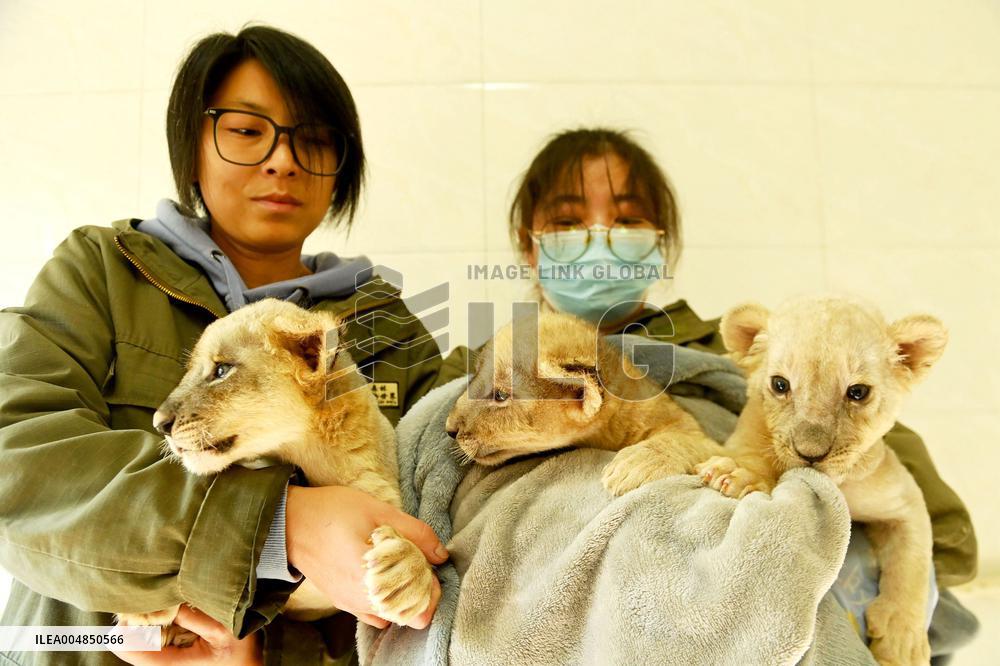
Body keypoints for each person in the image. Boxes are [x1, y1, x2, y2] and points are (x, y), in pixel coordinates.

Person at [0, 26, 466, 666]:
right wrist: (280, 527)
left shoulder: (387, 325)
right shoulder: (100, 272)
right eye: (248, 131)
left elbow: (442, 518)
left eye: (313, 141)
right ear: (193, 146)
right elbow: (15, 465)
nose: (283, 162)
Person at [501, 128, 977, 654]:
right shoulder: (482, 368)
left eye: (629, 219)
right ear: (529, 245)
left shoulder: (745, 351)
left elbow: (939, 532)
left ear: (658, 244)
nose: (599, 237)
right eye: (568, 222)